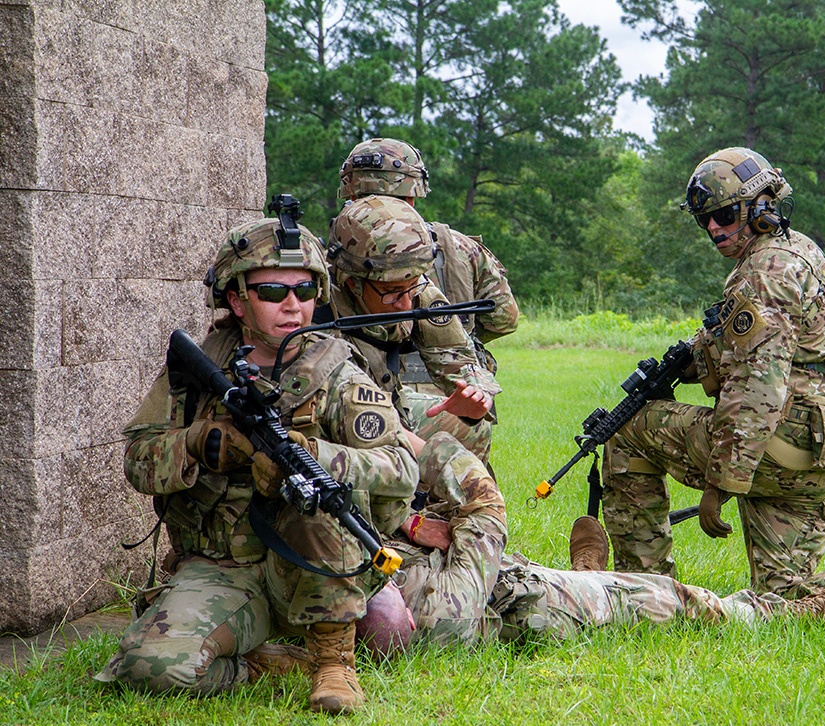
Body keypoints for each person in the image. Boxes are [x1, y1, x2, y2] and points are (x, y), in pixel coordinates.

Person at [95, 217, 419, 715]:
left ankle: (334, 662)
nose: (293, 305)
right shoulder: (198, 369)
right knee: (152, 668)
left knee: (316, 504)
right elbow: (137, 461)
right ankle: (270, 661)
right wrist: (198, 444)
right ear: (236, 298)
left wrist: (317, 457)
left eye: (306, 288)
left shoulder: (337, 373)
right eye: (272, 290)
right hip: (220, 568)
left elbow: (401, 469)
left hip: (314, 572)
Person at [357, 437, 825, 655]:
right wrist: (456, 472)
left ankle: (585, 573)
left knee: (550, 581)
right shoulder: (425, 614)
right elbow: (458, 606)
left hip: (449, 575)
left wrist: (406, 522)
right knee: (662, 599)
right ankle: (793, 616)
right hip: (501, 601)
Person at [594, 147, 825, 598]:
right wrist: (697, 356)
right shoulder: (799, 251)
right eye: (705, 221)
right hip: (823, 444)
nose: (714, 229)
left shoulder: (762, 272)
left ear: (761, 205)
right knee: (784, 598)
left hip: (777, 440)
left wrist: (721, 483)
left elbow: (758, 385)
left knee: (627, 431)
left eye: (722, 214)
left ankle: (647, 592)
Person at [322, 194, 501, 463]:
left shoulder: (412, 285)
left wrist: (474, 399)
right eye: (391, 292)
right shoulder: (313, 302)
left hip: (391, 405)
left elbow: (457, 356)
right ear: (351, 281)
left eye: (413, 286)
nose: (406, 303)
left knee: (467, 428)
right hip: (329, 422)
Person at [331, 136, 519, 385]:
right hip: (455, 389)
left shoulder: (335, 252)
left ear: (351, 194)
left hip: (363, 391)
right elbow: (503, 318)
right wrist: (460, 334)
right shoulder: (460, 246)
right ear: (412, 195)